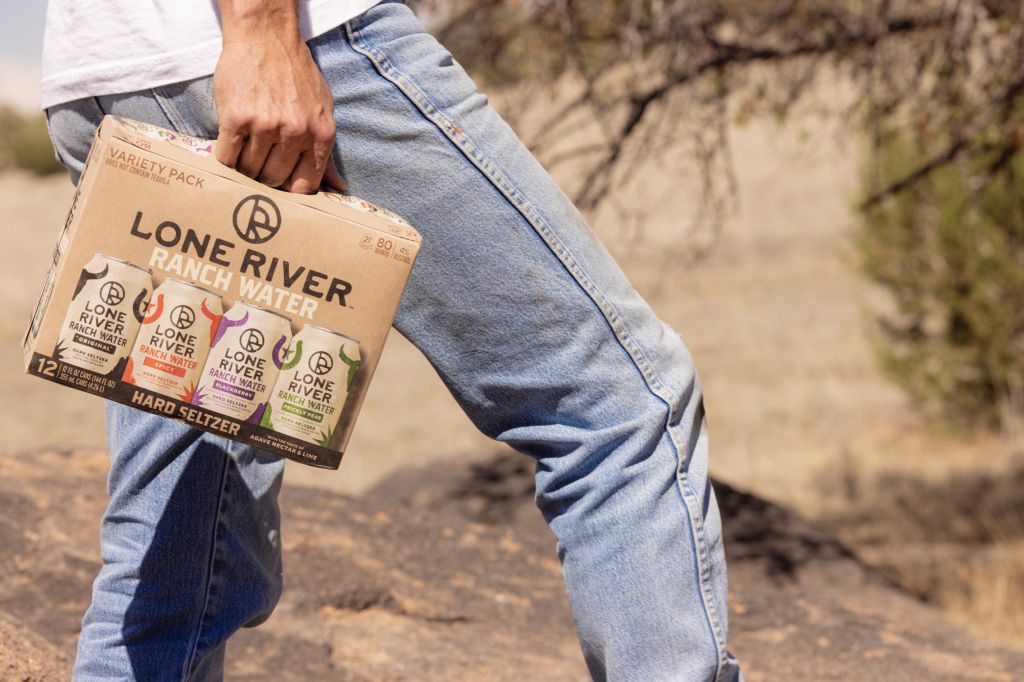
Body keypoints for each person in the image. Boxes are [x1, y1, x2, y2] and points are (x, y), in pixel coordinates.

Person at [41, 1, 743, 679]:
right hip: (288, 46)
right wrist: (263, 31)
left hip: (103, 77)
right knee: (617, 407)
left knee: (183, 545)